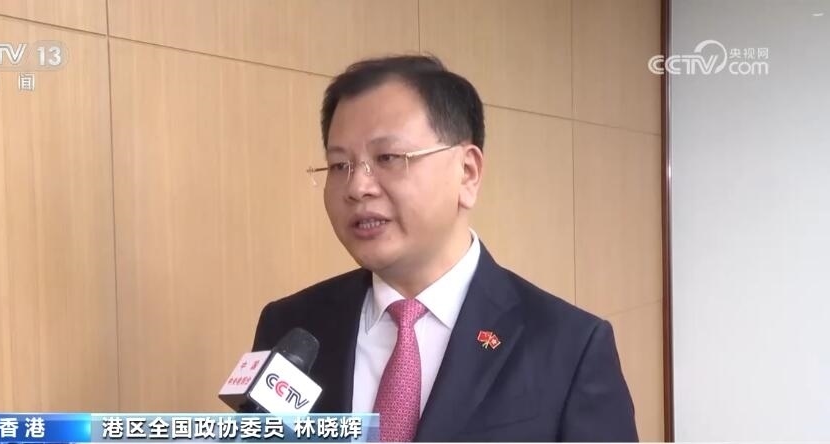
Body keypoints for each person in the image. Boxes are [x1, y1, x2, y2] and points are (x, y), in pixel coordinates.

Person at [251, 55, 638, 442]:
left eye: (388, 158)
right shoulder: (290, 327)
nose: (357, 187)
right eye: (339, 165)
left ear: (467, 173)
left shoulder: (569, 347)